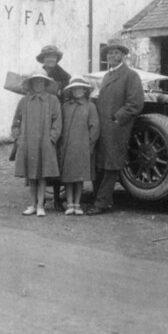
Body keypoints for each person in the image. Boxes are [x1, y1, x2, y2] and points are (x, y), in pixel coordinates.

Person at [89, 38, 144, 215]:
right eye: (110, 53)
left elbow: (135, 103)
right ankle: (105, 201)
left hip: (116, 129)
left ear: (123, 56)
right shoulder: (107, 76)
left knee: (110, 165)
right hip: (101, 127)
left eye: (116, 53)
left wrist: (117, 119)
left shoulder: (131, 76)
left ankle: (100, 203)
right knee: (99, 164)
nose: (112, 56)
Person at [11, 70, 62, 217]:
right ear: (31, 84)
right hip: (28, 142)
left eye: (41, 82)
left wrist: (52, 138)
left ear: (45, 83)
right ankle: (32, 204)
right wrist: (18, 138)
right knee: (31, 176)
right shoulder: (24, 101)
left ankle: (41, 205)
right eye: (35, 82)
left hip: (45, 142)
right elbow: (16, 122)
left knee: (42, 175)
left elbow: (57, 121)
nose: (38, 85)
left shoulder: (52, 100)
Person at [57, 76, 100, 215]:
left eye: (80, 88)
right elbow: (60, 125)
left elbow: (95, 127)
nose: (77, 91)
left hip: (83, 146)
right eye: (74, 89)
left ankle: (77, 203)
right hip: (67, 146)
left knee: (79, 177)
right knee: (68, 177)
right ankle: (69, 204)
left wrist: (90, 144)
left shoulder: (90, 106)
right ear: (70, 91)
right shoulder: (65, 106)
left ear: (85, 90)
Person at [36, 44, 70, 209]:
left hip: (56, 119)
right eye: (47, 56)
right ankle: (38, 199)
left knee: (55, 158)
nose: (50, 59)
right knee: (37, 158)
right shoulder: (38, 74)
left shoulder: (64, 77)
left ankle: (57, 199)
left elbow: (67, 99)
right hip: (38, 120)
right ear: (43, 59)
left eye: (53, 56)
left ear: (57, 59)